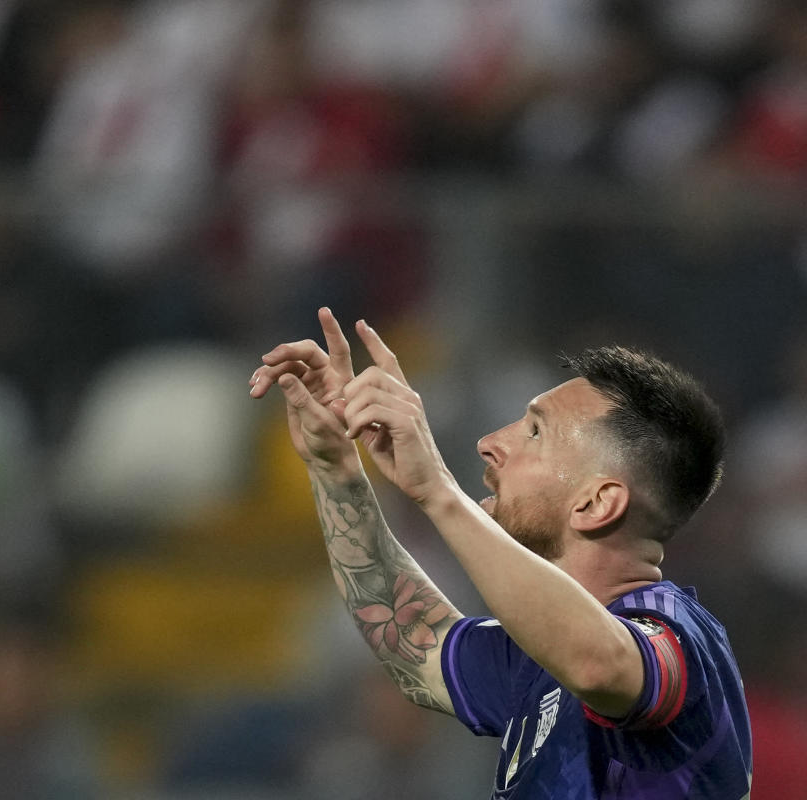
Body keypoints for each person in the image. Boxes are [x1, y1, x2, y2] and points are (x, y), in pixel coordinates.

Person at [249, 307, 752, 798]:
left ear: (597, 503)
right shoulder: (533, 661)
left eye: (534, 431)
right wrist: (335, 467)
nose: (489, 443)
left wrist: (439, 491)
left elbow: (599, 663)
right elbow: (414, 643)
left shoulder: (679, 636)